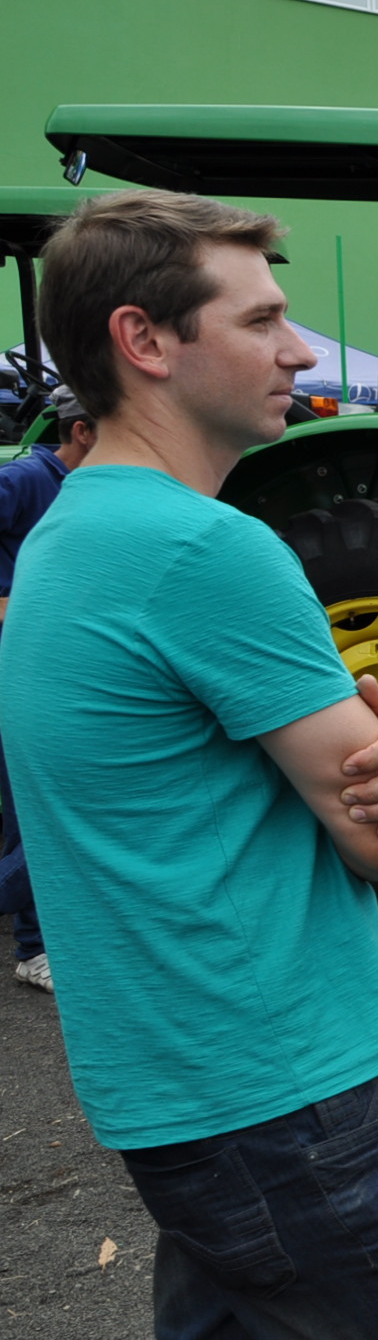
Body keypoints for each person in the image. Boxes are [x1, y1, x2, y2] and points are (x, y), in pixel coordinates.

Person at [0, 189, 378, 1340]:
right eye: (262, 319)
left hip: (183, 1100)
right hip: (304, 1100)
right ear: (146, 342)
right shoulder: (207, 550)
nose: (297, 350)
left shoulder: (72, 531)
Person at [0, 385, 95, 994]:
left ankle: (45, 941)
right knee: (33, 809)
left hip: (44, 663)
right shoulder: (28, 479)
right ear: (82, 431)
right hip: (13, 663)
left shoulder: (87, 490)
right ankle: (34, 950)